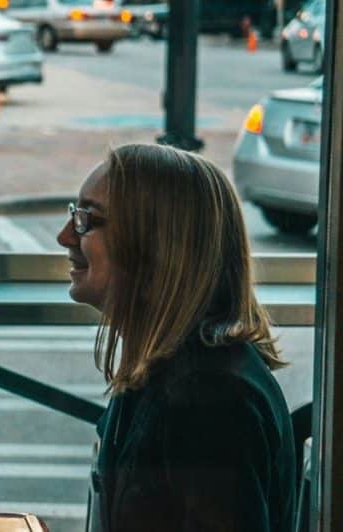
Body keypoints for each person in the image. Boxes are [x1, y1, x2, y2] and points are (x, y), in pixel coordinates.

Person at [57, 143, 296, 532]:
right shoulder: (182, 369)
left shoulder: (207, 401)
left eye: (86, 219)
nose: (65, 236)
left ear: (154, 243)